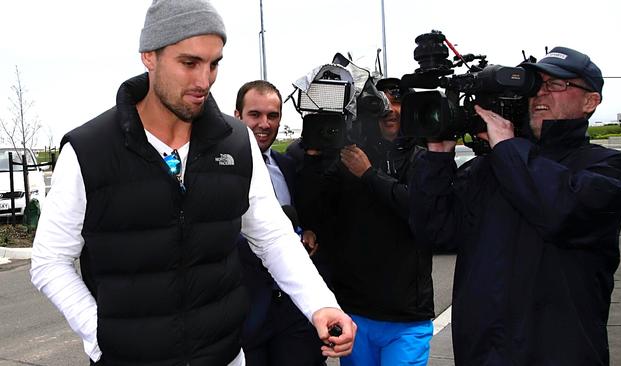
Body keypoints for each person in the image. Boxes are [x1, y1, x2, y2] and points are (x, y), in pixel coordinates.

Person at [29, 1, 356, 365]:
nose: (204, 81)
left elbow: (272, 236)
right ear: (149, 56)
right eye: (189, 63)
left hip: (225, 356)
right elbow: (50, 260)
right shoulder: (89, 150)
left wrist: (320, 304)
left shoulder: (237, 142)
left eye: (214, 63)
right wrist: (98, 334)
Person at [409, 46, 621, 365]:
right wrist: (437, 155)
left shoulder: (608, 168)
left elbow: (561, 211)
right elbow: (436, 233)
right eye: (535, 84)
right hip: (481, 354)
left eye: (557, 84)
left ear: (590, 101)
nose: (541, 92)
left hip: (557, 354)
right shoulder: (488, 167)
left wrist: (506, 145)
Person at [296, 78, 434, 366]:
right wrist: (314, 156)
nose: (390, 110)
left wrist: (369, 174)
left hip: (406, 317)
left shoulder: (424, 158)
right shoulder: (349, 156)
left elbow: (419, 208)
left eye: (396, 102)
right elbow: (315, 209)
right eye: (382, 104)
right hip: (356, 312)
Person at [233, 80, 325, 366]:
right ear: (237, 116)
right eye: (255, 115)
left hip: (293, 313)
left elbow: (294, 220)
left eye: (272, 116)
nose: (264, 124)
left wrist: (306, 233)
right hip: (244, 314)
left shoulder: (288, 166)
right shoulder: (217, 170)